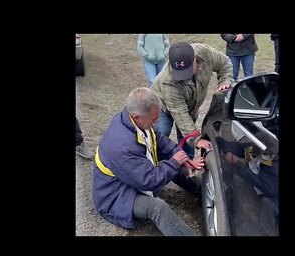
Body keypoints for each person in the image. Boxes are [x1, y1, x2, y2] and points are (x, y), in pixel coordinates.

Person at [92, 87, 205, 236]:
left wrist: (182, 157)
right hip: (114, 195)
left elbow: (159, 141)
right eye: (154, 119)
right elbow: (149, 180)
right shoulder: (121, 146)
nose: (157, 121)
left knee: (173, 161)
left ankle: (201, 191)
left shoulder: (134, 121)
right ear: (137, 117)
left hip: (131, 175)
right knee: (157, 207)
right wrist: (174, 163)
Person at [151, 42, 233, 159]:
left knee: (186, 140)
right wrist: (196, 139)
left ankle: (188, 166)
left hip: (191, 106)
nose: (184, 77)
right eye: (180, 73)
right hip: (162, 106)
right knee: (160, 135)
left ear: (195, 59)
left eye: (188, 70)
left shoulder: (205, 53)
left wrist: (225, 81)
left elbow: (225, 63)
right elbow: (180, 114)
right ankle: (158, 166)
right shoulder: (168, 81)